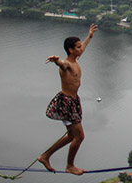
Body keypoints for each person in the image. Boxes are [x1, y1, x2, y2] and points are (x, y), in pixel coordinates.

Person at [38, 24, 98, 175]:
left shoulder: (75, 59)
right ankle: (70, 165)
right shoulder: (67, 65)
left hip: (73, 101)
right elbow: (62, 64)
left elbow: (82, 49)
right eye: (78, 47)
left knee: (72, 136)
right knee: (80, 136)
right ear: (71, 50)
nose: (81, 49)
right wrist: (55, 61)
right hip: (67, 103)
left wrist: (89, 36)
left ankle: (45, 156)